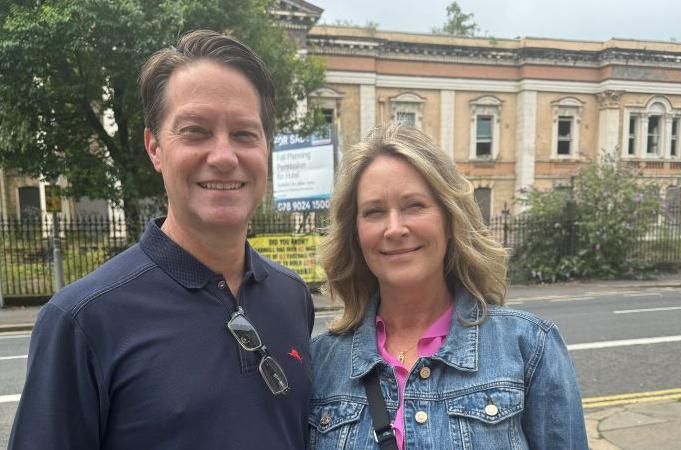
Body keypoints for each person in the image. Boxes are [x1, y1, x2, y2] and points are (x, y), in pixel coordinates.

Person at [9, 30, 314, 450]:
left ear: (266, 147)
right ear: (154, 148)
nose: (224, 157)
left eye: (245, 134)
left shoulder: (292, 295)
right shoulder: (82, 321)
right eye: (195, 131)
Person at [309, 122, 587, 449]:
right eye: (374, 211)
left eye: (414, 205)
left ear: (449, 218)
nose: (394, 228)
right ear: (355, 232)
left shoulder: (529, 347)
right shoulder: (322, 362)